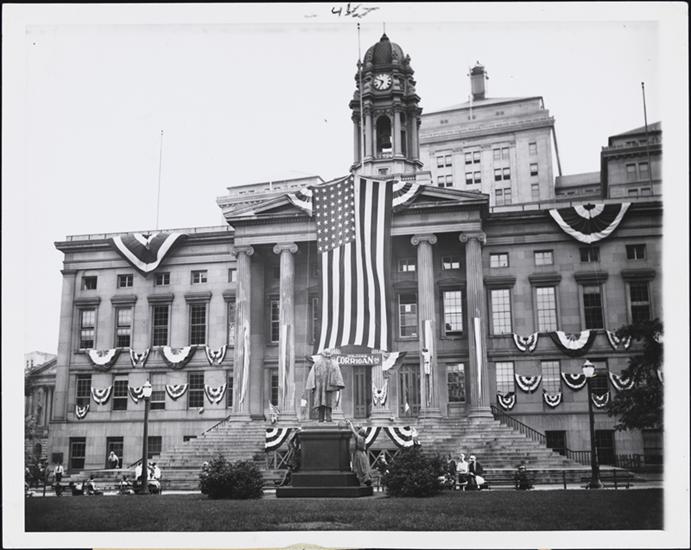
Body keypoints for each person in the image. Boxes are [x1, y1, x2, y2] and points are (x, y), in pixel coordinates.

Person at [305, 349, 345, 422]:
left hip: (320, 388)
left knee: (321, 403)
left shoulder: (317, 363)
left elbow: (312, 376)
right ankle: (328, 418)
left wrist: (313, 386)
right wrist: (338, 385)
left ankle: (321, 419)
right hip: (329, 387)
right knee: (329, 404)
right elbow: (338, 377)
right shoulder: (334, 363)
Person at [346, 419, 372, 486]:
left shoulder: (360, 438)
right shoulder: (362, 438)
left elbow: (354, 432)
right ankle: (364, 480)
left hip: (359, 454)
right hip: (362, 454)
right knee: (362, 467)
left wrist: (350, 424)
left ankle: (362, 480)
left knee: (360, 467)